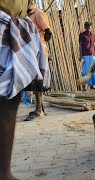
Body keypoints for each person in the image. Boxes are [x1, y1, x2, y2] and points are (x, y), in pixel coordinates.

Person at [0, 0, 50, 178]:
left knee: (11, 98)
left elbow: (48, 31)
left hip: (19, 34)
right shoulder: (34, 14)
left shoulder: (34, 13)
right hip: (8, 28)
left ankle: (4, 173)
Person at [24, 0, 52, 121]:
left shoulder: (38, 13)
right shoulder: (26, 16)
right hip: (31, 50)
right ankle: (40, 108)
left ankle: (39, 110)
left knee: (38, 79)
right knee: (35, 79)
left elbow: (48, 32)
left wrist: (42, 45)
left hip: (38, 49)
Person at [79, 21, 95, 91]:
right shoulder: (82, 35)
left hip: (92, 54)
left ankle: (93, 85)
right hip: (85, 55)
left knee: (93, 70)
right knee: (85, 70)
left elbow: (94, 45)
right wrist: (80, 56)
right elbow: (80, 46)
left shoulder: (92, 35)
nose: (88, 29)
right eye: (87, 28)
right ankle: (84, 86)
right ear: (85, 27)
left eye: (89, 28)